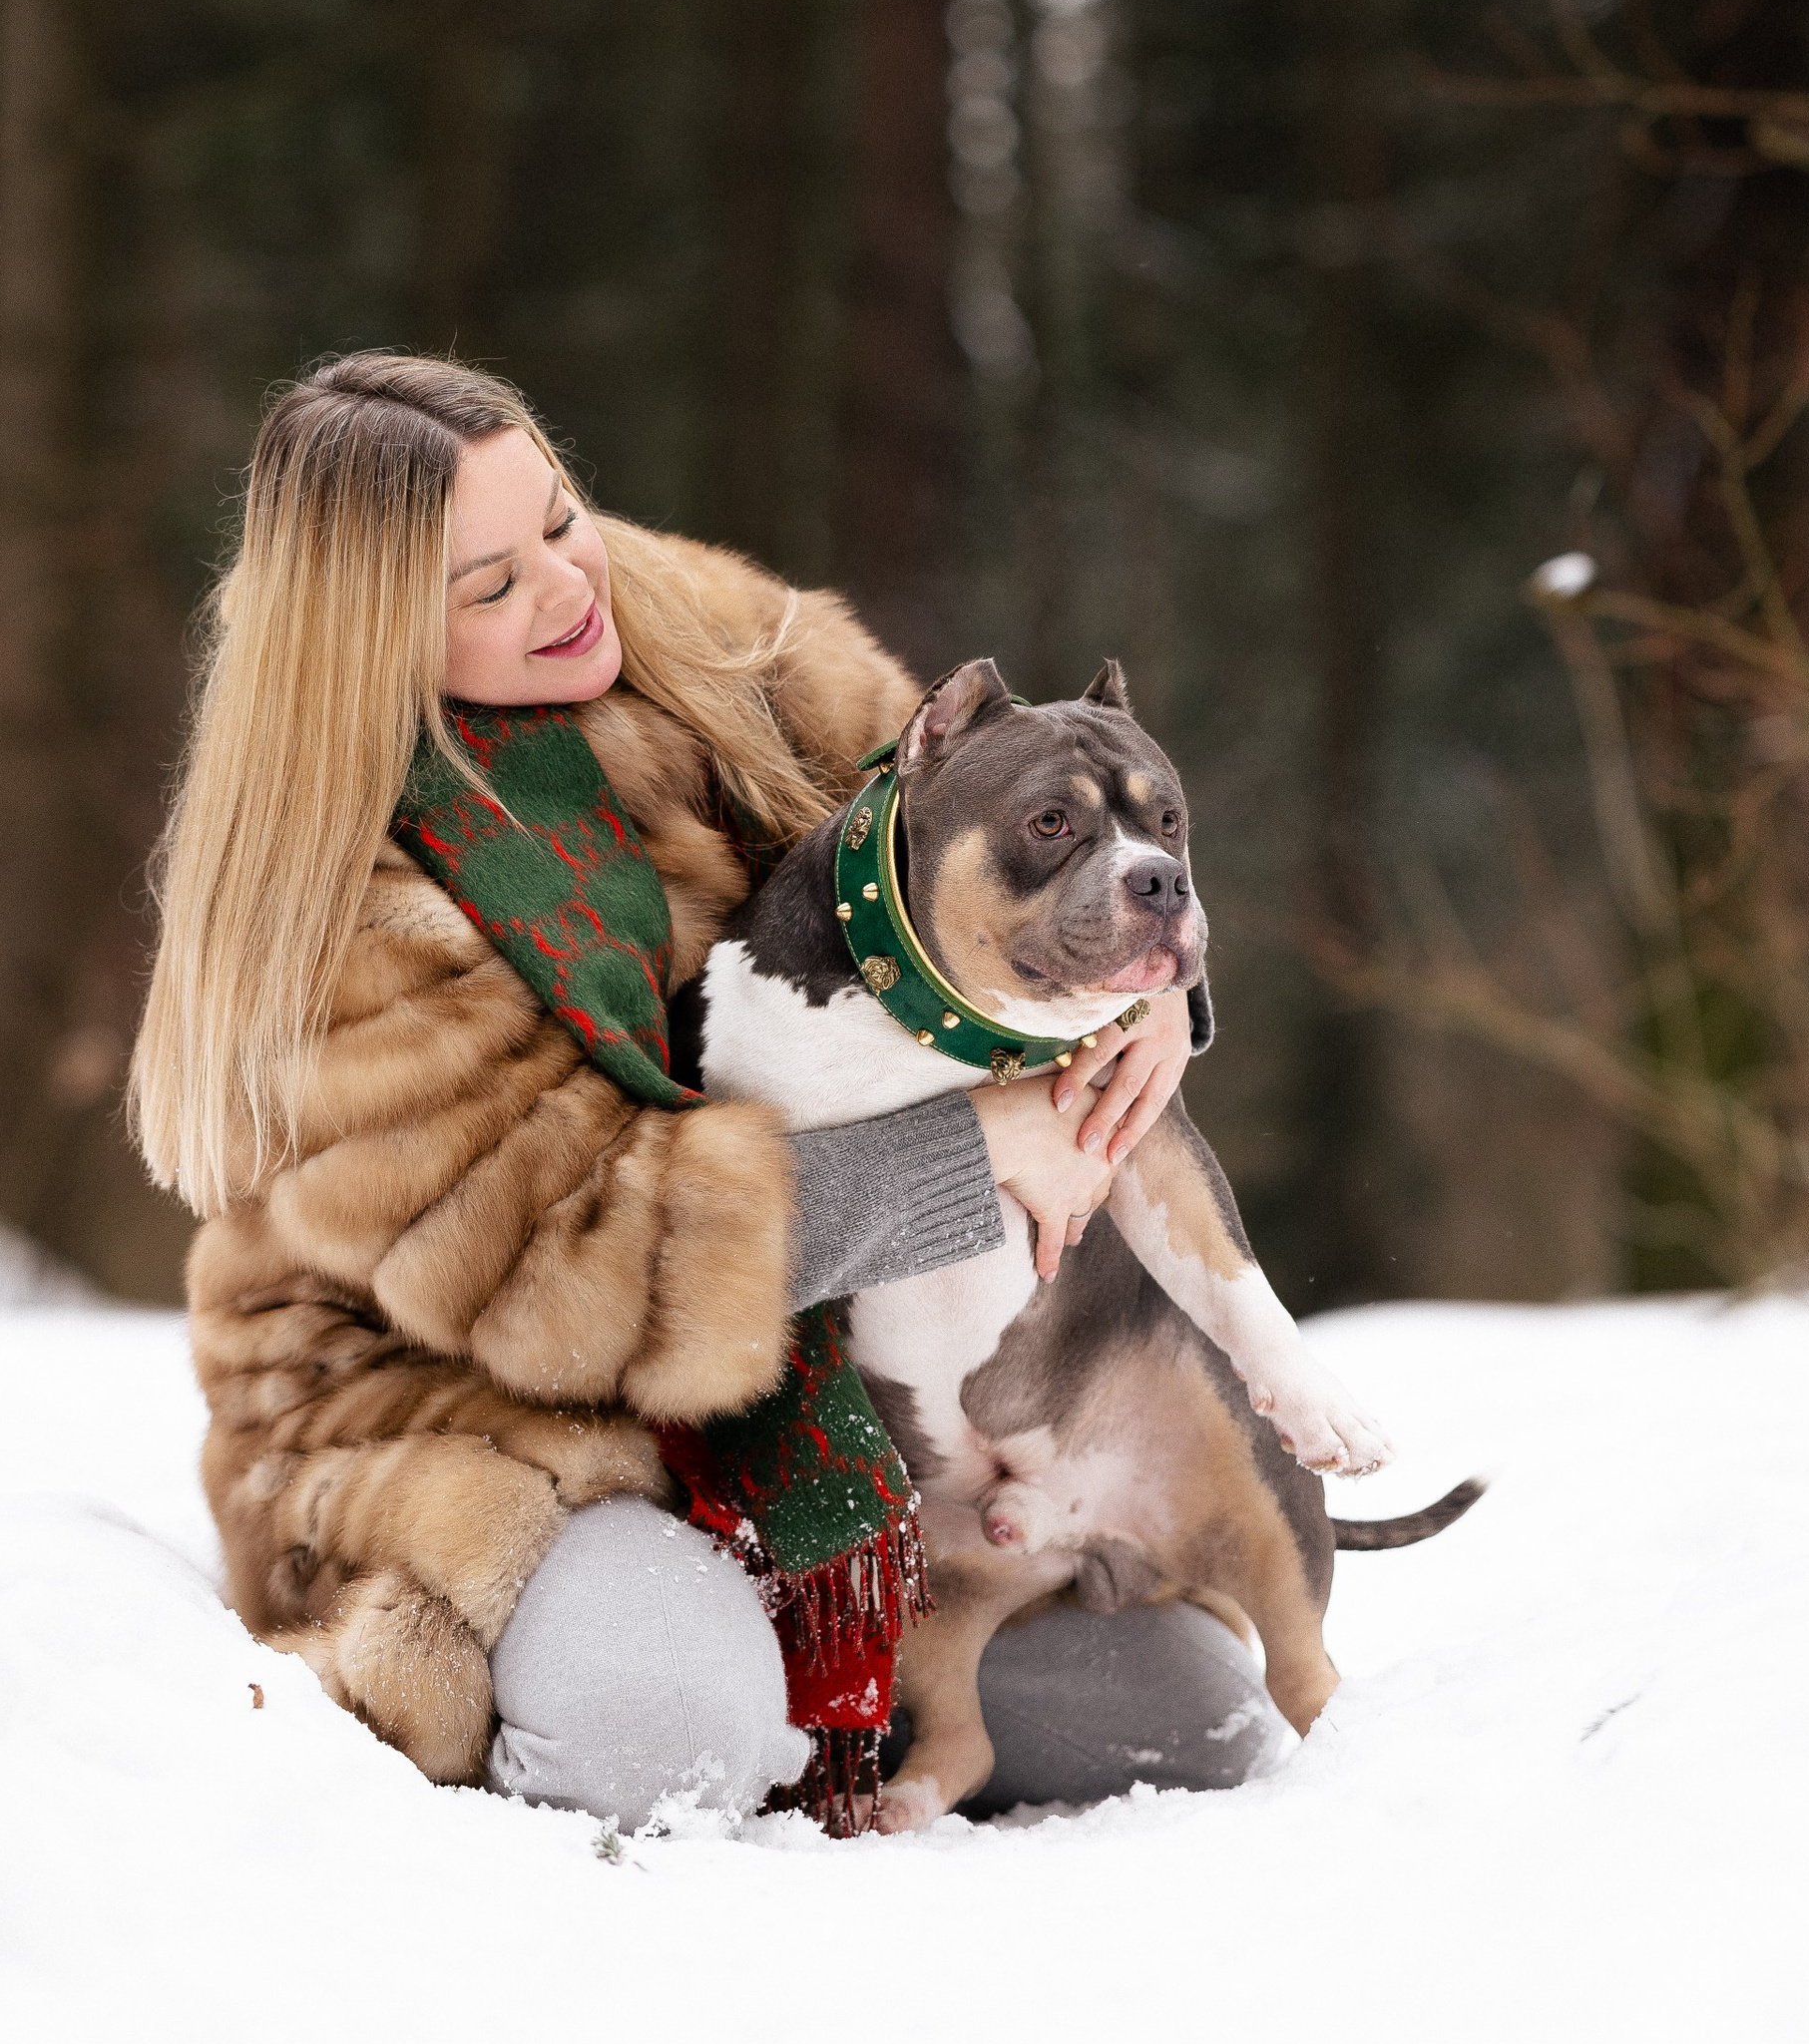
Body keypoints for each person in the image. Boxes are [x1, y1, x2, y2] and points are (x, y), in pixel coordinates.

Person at [130, 351, 1287, 1828]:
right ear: (367, 644)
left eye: (558, 517)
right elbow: (579, 1269)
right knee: (672, 1727)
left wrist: (1159, 994)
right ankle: (659, 1733)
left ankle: (815, 1666)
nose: (564, 588)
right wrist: (980, 1145)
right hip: (464, 1412)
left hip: (806, 1374)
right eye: (487, 585)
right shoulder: (338, 907)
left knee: (1190, 1714)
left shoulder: (695, 635)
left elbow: (1005, 825)